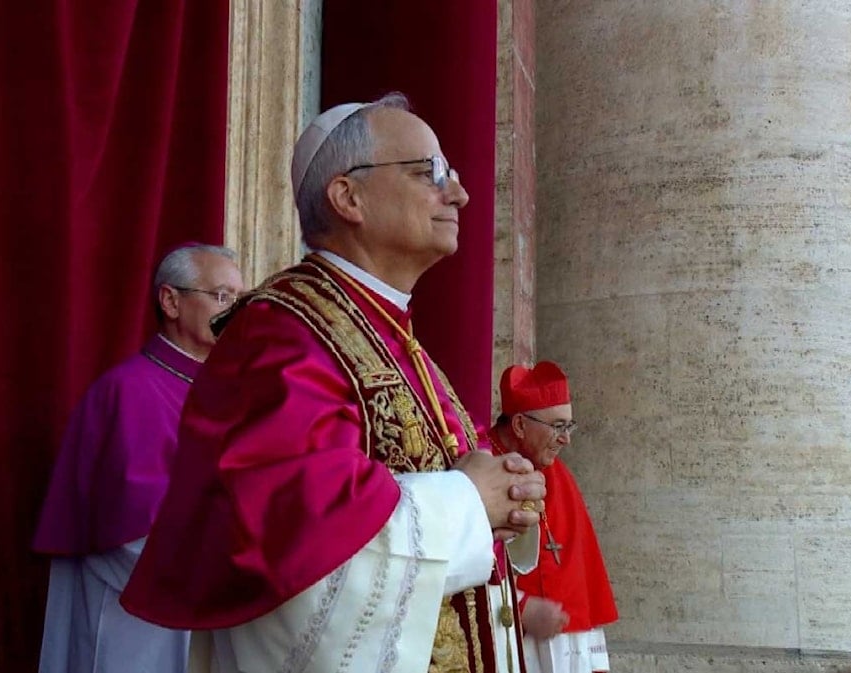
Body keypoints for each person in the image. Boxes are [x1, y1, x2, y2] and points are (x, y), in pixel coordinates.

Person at [120, 93, 545, 673]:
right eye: (431, 172)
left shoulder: (396, 336)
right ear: (348, 196)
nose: (460, 193)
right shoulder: (281, 334)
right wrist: (470, 502)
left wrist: (507, 497)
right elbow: (298, 537)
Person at [32, 243, 246, 673]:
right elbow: (131, 526)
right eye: (222, 297)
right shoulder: (130, 391)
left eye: (240, 300)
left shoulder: (226, 390)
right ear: (170, 301)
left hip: (208, 608)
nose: (235, 312)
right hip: (137, 617)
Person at [488, 362, 619, 673]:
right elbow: (461, 562)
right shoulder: (483, 470)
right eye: (558, 426)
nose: (566, 439)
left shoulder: (560, 475)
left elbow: (580, 576)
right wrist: (520, 608)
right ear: (519, 425)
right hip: (505, 635)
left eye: (569, 427)